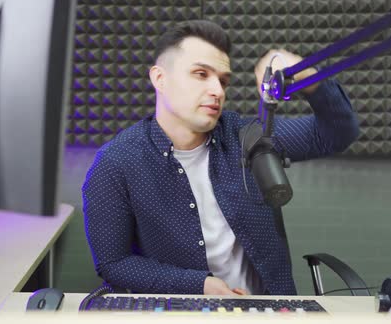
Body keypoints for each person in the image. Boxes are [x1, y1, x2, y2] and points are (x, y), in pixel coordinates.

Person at [82, 20, 359, 296]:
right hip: (184, 315)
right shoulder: (116, 163)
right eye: (201, 74)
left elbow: (338, 132)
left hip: (266, 312)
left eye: (223, 81)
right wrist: (199, 285)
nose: (217, 91)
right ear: (159, 78)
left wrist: (306, 75)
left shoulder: (248, 137)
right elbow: (114, 264)